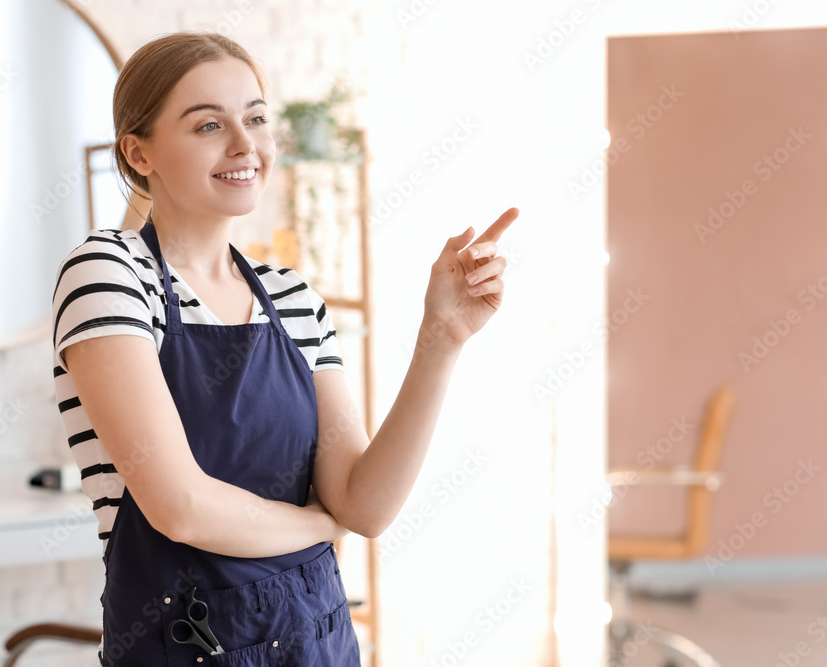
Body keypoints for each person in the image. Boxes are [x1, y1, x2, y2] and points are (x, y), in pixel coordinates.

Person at [51, 31, 517, 666]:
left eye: (257, 118)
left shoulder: (292, 297)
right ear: (139, 152)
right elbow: (182, 509)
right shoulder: (109, 274)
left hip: (318, 641)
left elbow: (364, 502)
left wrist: (441, 339)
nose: (245, 145)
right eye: (208, 124)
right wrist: (322, 526)